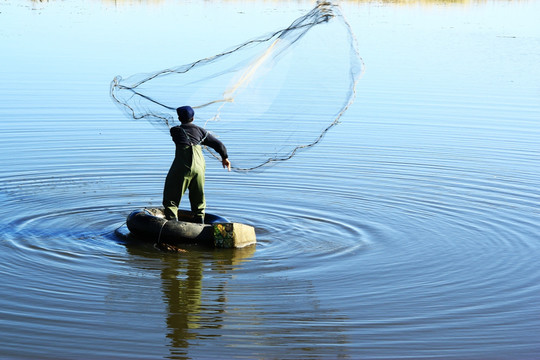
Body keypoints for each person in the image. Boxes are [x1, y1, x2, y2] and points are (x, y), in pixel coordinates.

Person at [162, 106, 231, 223]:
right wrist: (225, 158)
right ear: (193, 118)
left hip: (183, 165)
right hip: (199, 166)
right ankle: (200, 223)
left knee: (171, 196)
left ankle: (172, 226)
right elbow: (220, 145)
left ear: (179, 118)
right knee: (198, 196)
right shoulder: (201, 131)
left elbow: (183, 136)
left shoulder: (175, 130)